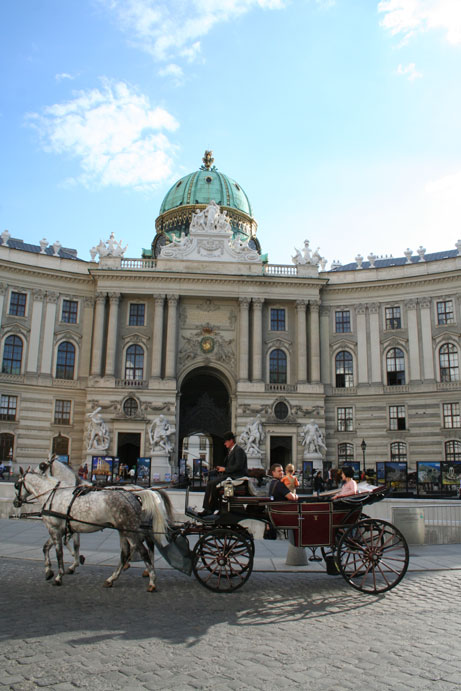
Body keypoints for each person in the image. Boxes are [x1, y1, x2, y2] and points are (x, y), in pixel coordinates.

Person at [201, 431, 248, 515]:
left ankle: (208, 509)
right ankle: (214, 507)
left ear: (231, 440)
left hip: (235, 476)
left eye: (226, 441)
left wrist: (225, 469)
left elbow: (238, 466)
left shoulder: (238, 450)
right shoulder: (233, 451)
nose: (224, 443)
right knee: (212, 483)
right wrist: (221, 469)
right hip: (230, 475)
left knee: (211, 484)